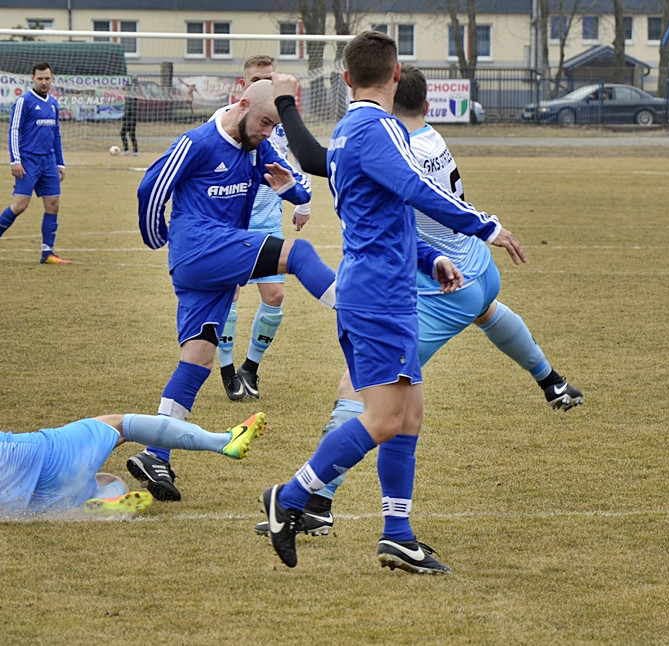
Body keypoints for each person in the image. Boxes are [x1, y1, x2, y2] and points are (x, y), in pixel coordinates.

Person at [253, 64, 583, 541]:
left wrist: (484, 225)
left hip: (418, 285)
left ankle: (312, 500)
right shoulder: (412, 136)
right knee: (417, 398)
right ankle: (550, 381)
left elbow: (377, 179)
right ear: (424, 104)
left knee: (368, 397)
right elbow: (325, 161)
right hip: (467, 273)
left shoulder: (386, 140)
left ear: (349, 81)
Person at [126, 79, 338, 503]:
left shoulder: (258, 146)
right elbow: (152, 186)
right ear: (241, 106)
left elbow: (297, 185)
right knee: (299, 255)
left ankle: (155, 453)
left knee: (199, 357)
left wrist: (287, 189)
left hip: (215, 262)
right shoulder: (199, 142)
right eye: (263, 122)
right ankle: (357, 311)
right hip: (200, 249)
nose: (266, 132)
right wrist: (156, 236)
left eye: (273, 126)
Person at [213, 55, 313, 402]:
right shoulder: (222, 119)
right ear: (243, 84)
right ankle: (227, 372)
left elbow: (299, 162)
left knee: (275, 296)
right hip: (231, 221)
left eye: (270, 79)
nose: (264, 85)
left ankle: (250, 369)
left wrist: (304, 203)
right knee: (231, 297)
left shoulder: (284, 122)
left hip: (269, 219)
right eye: (257, 78)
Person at [1, 411, 265, 518]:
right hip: (37, 455)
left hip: (19, 501)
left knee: (108, 480)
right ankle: (224, 441)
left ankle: (94, 506)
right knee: (119, 424)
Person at [0, 62, 70, 264]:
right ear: (32, 78)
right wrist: (15, 160)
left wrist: (60, 163)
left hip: (48, 161)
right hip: (28, 161)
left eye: (47, 78)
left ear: (52, 78)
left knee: (53, 205)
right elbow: (14, 131)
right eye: (40, 78)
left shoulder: (54, 103)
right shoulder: (24, 101)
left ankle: (47, 253)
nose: (44, 82)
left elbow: (56, 134)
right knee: (20, 205)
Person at [120, 82, 139, 156]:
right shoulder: (131, 96)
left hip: (129, 119)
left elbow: (129, 109)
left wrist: (124, 117)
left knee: (123, 133)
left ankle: (127, 150)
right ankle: (135, 151)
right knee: (131, 134)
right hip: (132, 118)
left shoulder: (130, 97)